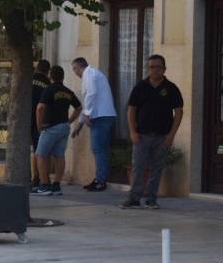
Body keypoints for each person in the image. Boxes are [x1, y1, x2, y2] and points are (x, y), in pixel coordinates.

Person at [120, 54, 184, 210]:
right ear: (147, 69)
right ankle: (134, 198)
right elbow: (131, 110)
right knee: (138, 167)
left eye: (158, 67)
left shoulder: (171, 88)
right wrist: (133, 132)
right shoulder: (140, 87)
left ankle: (151, 199)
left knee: (157, 168)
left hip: (162, 137)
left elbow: (179, 112)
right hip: (142, 136)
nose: (154, 70)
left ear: (164, 69)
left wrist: (171, 135)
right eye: (151, 67)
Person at [33, 65, 81, 196]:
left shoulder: (49, 90)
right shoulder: (68, 91)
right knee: (59, 156)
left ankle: (44, 185)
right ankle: (56, 185)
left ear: (50, 76)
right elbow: (79, 107)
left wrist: (39, 124)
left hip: (50, 127)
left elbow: (40, 108)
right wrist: (69, 121)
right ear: (63, 77)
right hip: (64, 127)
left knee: (40, 155)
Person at [70, 56, 116, 191]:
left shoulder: (89, 74)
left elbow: (91, 95)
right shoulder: (93, 74)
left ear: (79, 67)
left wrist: (87, 115)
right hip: (104, 115)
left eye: (74, 69)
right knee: (102, 149)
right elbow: (88, 101)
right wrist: (80, 124)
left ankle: (100, 181)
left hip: (101, 116)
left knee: (98, 148)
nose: (75, 73)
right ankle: (100, 178)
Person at [30, 59, 51, 187]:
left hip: (27, 119)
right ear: (47, 71)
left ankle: (35, 177)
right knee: (41, 151)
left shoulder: (29, 79)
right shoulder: (48, 83)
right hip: (41, 120)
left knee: (34, 150)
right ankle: (42, 177)